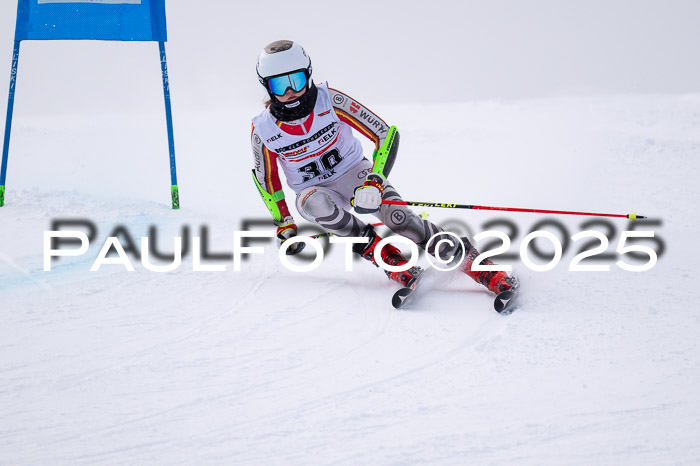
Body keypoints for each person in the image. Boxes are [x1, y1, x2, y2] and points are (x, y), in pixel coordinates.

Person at [250, 40, 516, 295]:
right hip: (313, 189)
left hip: (355, 173)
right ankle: (394, 263)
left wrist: (375, 182)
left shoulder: (330, 101)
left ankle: (484, 270)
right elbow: (266, 179)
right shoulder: (263, 129)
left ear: (307, 75)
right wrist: (284, 222)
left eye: (295, 80)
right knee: (317, 205)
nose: (289, 93)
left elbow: (385, 134)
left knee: (401, 220)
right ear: (267, 87)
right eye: (279, 85)